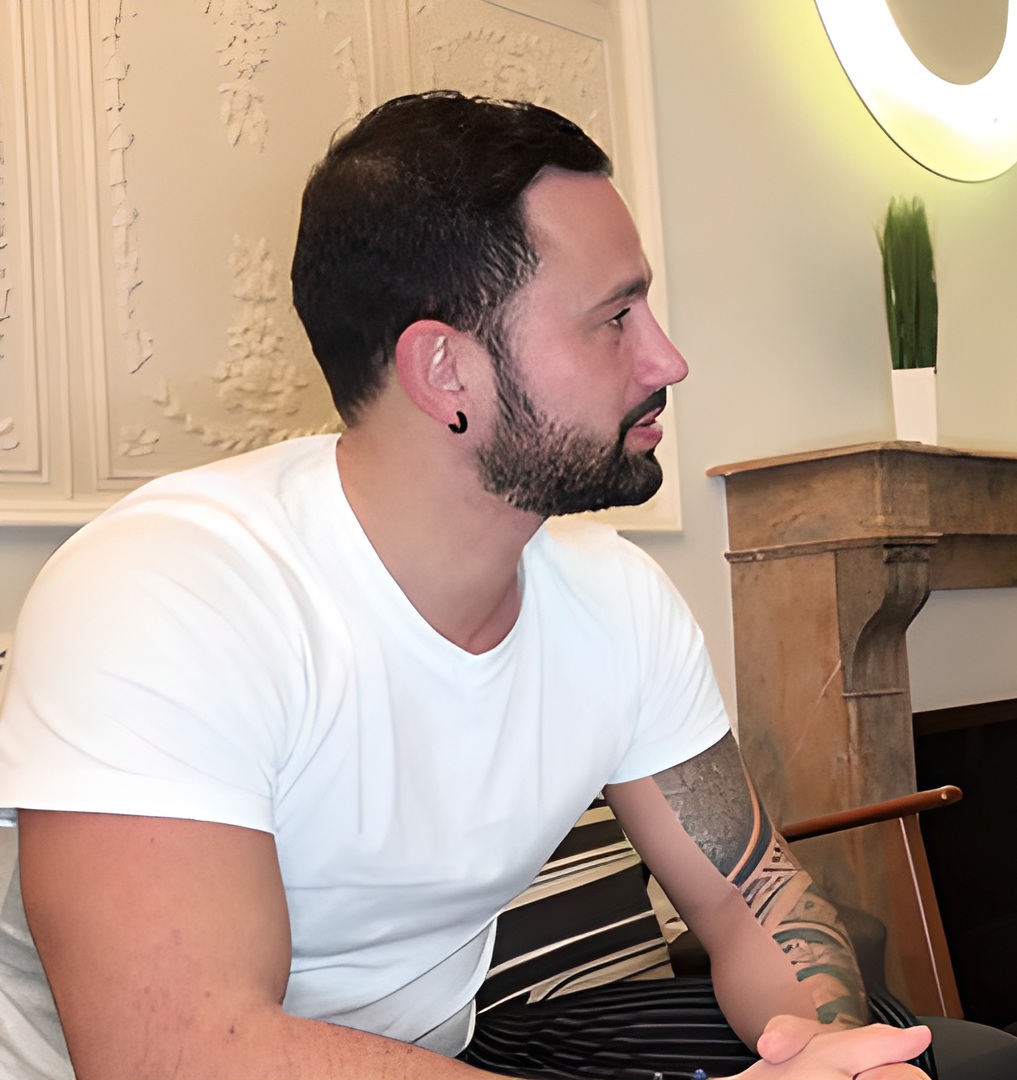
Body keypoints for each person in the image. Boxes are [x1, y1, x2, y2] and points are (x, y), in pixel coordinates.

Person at [0, 91, 928, 1080]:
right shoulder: (164, 597)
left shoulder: (620, 603)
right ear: (444, 370)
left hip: (449, 1051)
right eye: (614, 318)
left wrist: (827, 1049)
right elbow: (175, 1055)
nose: (667, 359)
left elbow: (755, 902)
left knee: (891, 1036)